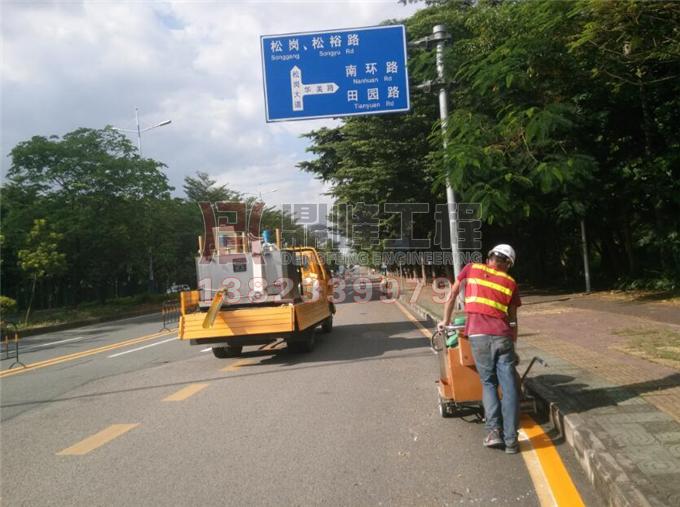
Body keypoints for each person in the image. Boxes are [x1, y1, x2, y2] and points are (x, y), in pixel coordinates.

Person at [438, 244, 522, 454]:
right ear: (508, 264)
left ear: (490, 257)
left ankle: (494, 432)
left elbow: (452, 295)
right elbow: (513, 320)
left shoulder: (471, 268)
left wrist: (444, 321)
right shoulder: (511, 282)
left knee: (489, 382)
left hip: (478, 336)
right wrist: (514, 344)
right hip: (503, 336)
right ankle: (512, 441)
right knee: (509, 386)